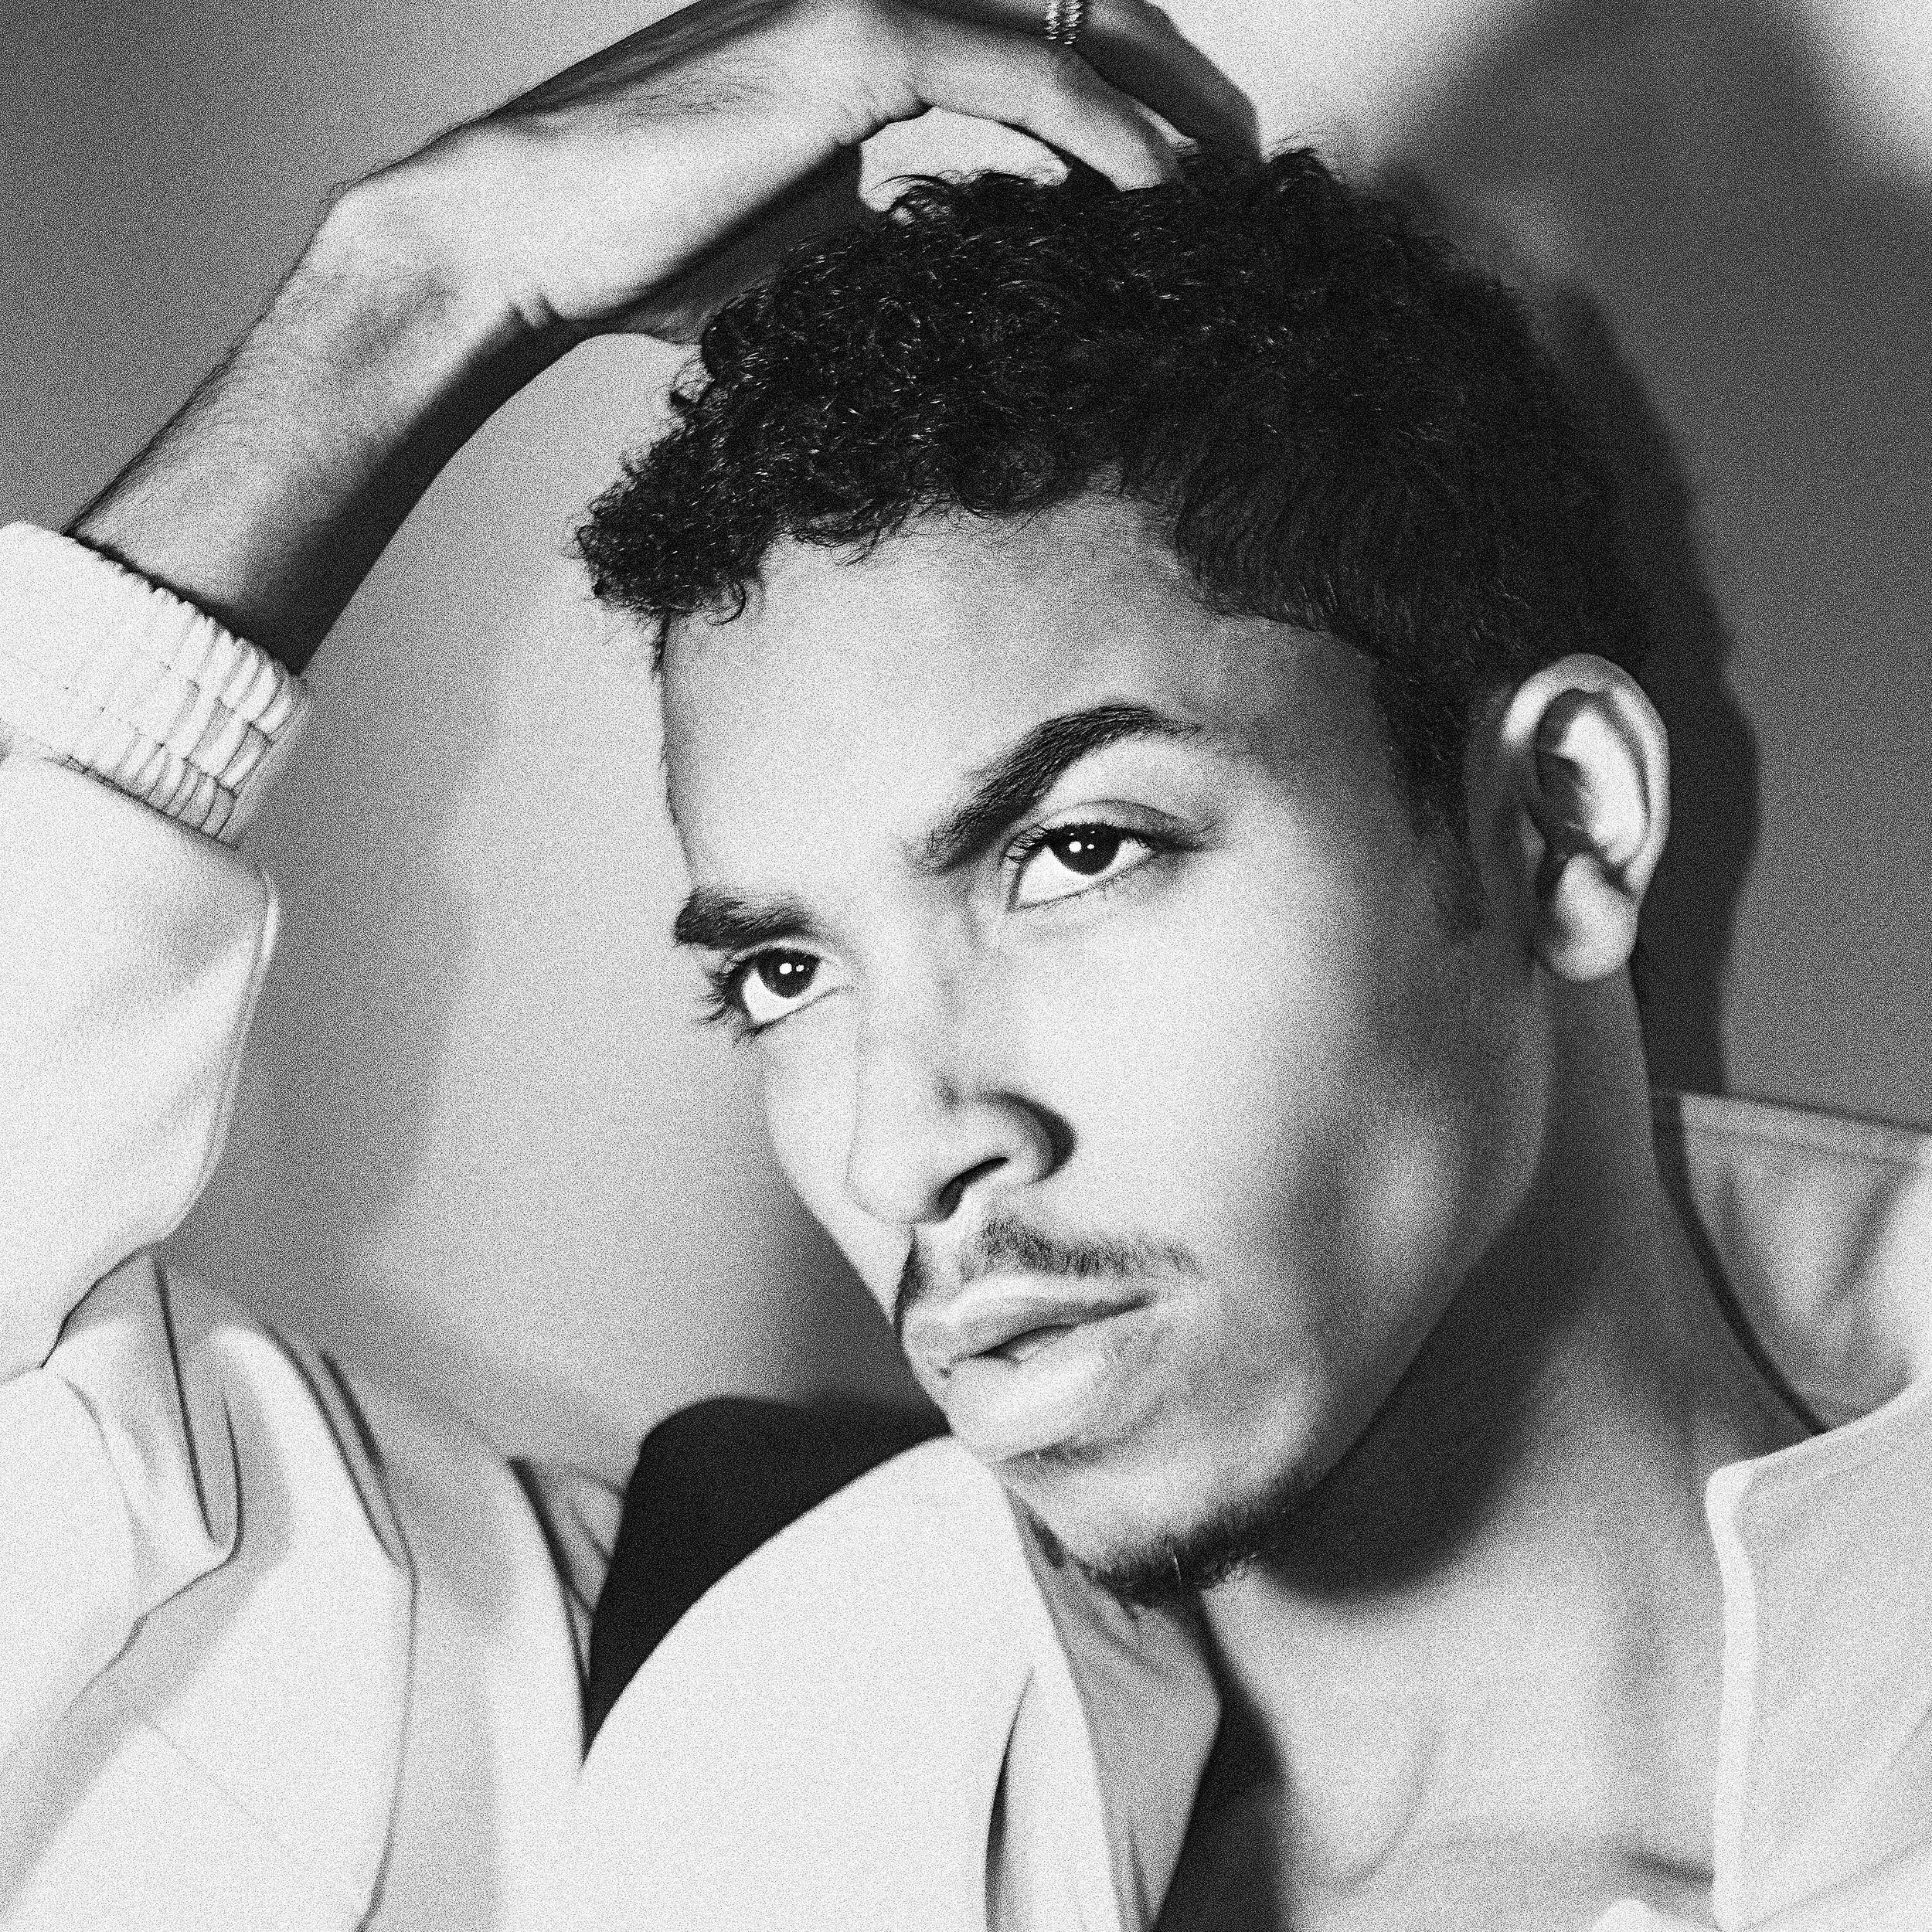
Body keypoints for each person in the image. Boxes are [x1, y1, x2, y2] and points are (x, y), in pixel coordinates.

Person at [2, 1, 1928, 1927]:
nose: (907, 1141)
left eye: (1075, 852)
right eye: (784, 970)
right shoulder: (711, 1718)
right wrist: (411, 284)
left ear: (1557, 823)